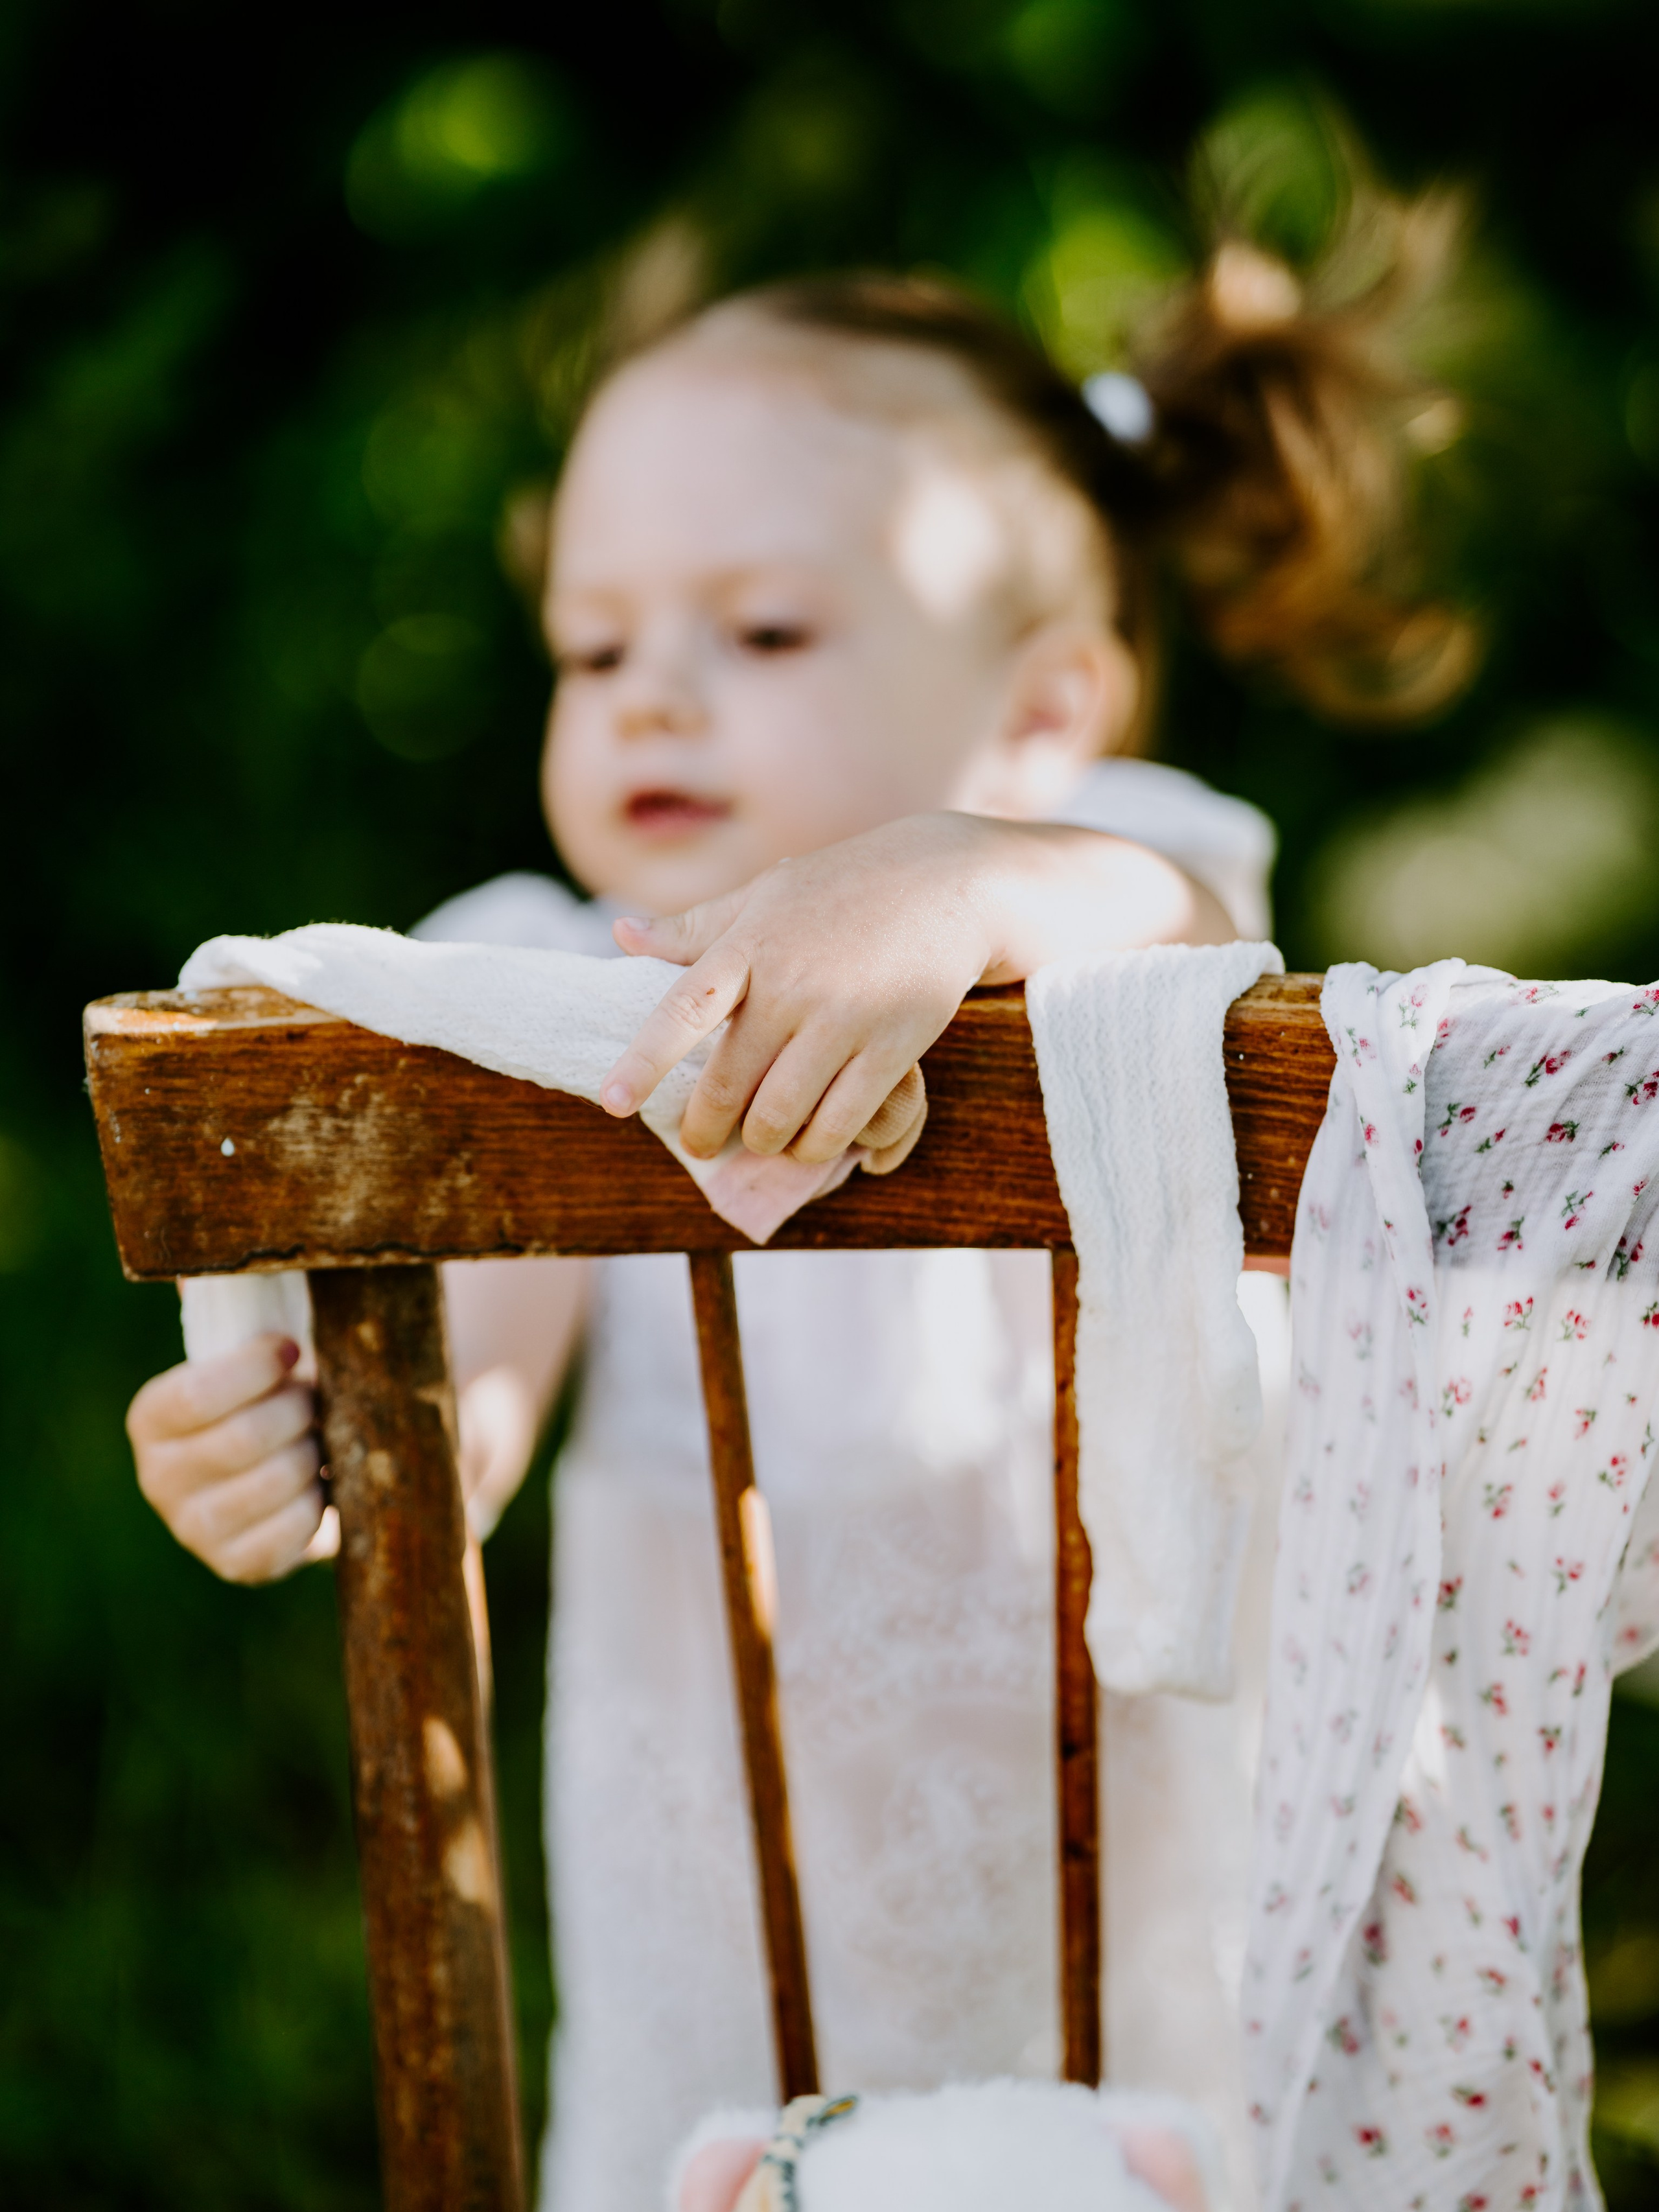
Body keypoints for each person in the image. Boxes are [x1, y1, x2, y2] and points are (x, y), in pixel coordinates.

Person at [126, 207, 1469, 2211]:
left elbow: (1186, 920)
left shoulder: (1109, 881)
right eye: (596, 647)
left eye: (760, 633)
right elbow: (456, 1396)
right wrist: (318, 1444)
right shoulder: (540, 984)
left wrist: (965, 874)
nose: (652, 697)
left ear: (1044, 709)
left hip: (1128, 1868)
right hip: (730, 1908)